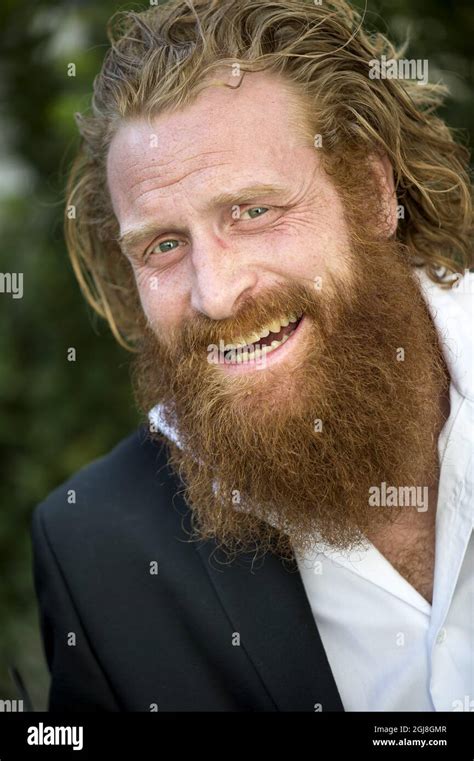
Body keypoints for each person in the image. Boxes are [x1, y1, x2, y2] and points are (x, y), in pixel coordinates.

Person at [31, 0, 473, 712]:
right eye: (163, 245)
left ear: (370, 193)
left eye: (254, 211)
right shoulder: (94, 551)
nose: (217, 292)